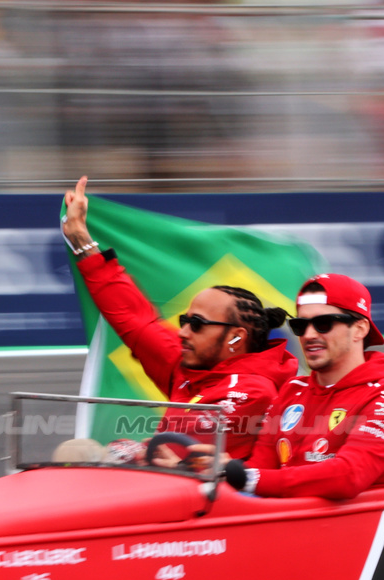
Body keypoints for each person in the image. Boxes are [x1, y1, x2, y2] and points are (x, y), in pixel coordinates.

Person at [62, 176, 297, 459]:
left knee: (83, 456)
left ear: (236, 336)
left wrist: (130, 450)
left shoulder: (254, 392)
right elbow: (135, 318)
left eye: (197, 325)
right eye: (185, 322)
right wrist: (81, 239)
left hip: (219, 500)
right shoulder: (188, 366)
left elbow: (175, 451)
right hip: (174, 491)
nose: (183, 332)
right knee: (74, 456)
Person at [237, 273, 384, 499]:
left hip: (361, 529)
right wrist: (217, 471)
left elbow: (347, 476)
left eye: (323, 324)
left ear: (360, 329)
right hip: (295, 523)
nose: (309, 335)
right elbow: (260, 466)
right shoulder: (292, 389)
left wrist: (246, 479)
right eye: (300, 325)